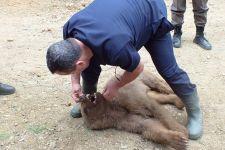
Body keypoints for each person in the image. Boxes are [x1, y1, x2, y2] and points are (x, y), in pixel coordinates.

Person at [46, 0, 203, 140]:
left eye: (70, 72)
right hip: (123, 16)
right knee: (90, 66)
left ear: (78, 63)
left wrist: (116, 83)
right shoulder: (70, 31)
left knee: (169, 70)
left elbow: (137, 67)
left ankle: (195, 111)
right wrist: (75, 83)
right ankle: (89, 100)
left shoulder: (116, 47)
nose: (72, 74)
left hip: (150, 12)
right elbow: (78, 62)